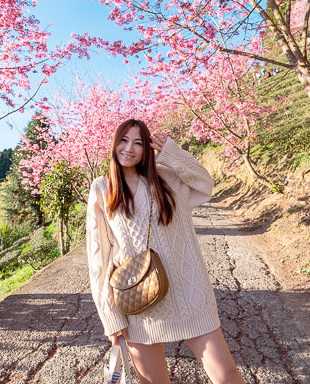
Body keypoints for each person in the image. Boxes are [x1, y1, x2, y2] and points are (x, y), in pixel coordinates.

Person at [86, 119, 247, 384]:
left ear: (147, 148)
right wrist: (110, 316)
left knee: (227, 376)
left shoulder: (167, 178)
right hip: (138, 303)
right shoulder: (102, 189)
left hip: (190, 294)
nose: (129, 149)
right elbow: (99, 258)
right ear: (114, 144)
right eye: (124, 140)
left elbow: (205, 184)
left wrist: (172, 153)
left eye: (138, 143)